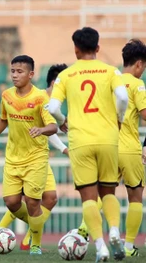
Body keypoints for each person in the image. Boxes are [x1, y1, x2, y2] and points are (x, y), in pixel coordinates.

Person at [48, 27, 129, 262]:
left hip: (80, 141)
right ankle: (114, 230)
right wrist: (119, 119)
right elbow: (123, 98)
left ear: (75, 49)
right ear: (98, 48)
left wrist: (63, 122)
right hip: (108, 138)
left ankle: (101, 246)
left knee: (89, 197)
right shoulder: (110, 71)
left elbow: (53, 108)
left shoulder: (67, 75)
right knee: (109, 191)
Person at [0, 55, 58, 255]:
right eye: (12, 71)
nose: (15, 75)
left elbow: (53, 125)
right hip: (13, 158)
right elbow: (3, 120)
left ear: (31, 74)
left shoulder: (40, 97)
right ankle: (35, 224)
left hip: (36, 157)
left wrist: (41, 130)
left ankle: (35, 245)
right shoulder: (7, 95)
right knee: (12, 202)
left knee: (33, 203)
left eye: (19, 71)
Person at [117, 39, 146, 257]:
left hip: (108, 147)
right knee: (135, 196)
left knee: (102, 194)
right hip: (129, 148)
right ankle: (128, 247)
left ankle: (86, 232)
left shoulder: (111, 81)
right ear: (138, 64)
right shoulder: (137, 85)